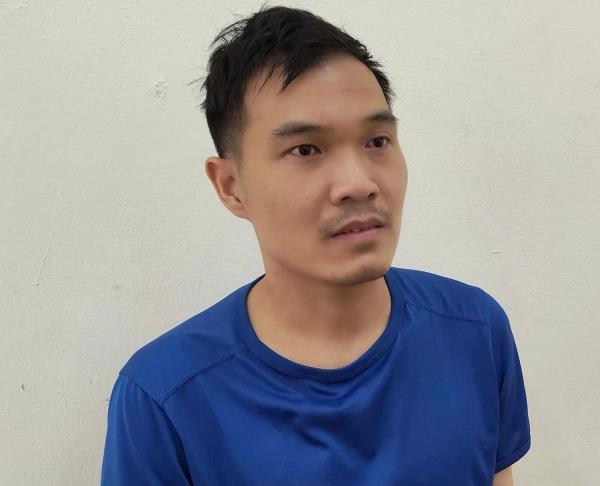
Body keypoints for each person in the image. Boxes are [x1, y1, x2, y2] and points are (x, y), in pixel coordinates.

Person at [100, 4, 531, 485]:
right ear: (231, 186)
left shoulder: (474, 331)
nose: (358, 183)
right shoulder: (164, 397)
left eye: (377, 141)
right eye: (305, 149)